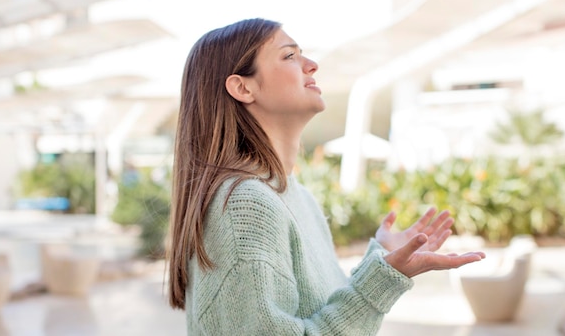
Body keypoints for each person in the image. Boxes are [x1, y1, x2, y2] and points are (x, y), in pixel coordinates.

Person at [167, 18, 485, 335]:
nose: (312, 65)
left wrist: (382, 259)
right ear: (243, 87)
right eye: (289, 56)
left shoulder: (294, 194)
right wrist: (381, 279)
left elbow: (321, 316)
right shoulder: (246, 205)